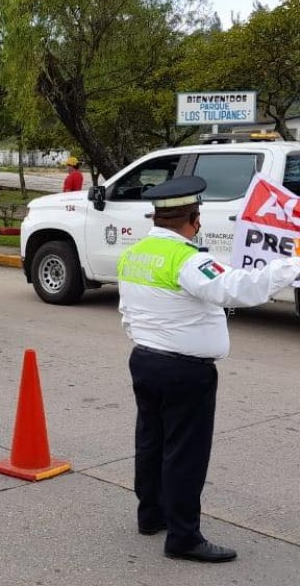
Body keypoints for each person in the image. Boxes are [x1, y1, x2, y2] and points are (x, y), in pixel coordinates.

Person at [117, 176, 300, 563]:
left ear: (158, 217)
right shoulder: (188, 259)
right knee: (185, 453)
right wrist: (291, 265)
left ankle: (151, 515)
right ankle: (183, 537)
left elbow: (127, 312)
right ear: (194, 219)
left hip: (145, 360)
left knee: (151, 443)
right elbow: (237, 289)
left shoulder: (135, 254)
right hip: (184, 372)